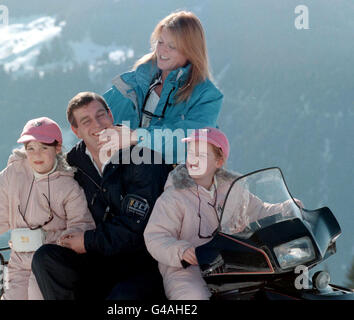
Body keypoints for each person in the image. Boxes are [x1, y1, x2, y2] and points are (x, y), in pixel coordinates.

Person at [31, 92, 171, 300]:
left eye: (101, 115)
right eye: (86, 121)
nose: (97, 125)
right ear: (76, 130)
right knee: (46, 258)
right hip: (97, 261)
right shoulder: (72, 167)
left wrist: (87, 241)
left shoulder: (144, 159)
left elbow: (137, 229)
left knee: (121, 297)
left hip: (143, 262)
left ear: (111, 115)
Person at [144, 128, 301, 300]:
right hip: (188, 270)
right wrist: (182, 251)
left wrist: (285, 208)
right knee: (193, 297)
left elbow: (259, 210)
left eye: (202, 156)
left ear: (219, 161)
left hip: (232, 264)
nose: (193, 160)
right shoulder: (174, 196)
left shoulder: (233, 189)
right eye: (190, 153)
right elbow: (156, 237)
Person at [0, 117, 95, 300]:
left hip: (46, 260)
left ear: (57, 148)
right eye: (31, 148)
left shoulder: (68, 186)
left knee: (38, 294)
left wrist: (60, 245)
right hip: (19, 258)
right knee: (13, 296)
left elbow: (80, 224)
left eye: (44, 148)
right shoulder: (12, 175)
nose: (37, 155)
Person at [101, 10, 224, 164]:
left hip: (173, 181)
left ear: (190, 51)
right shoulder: (133, 82)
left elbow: (189, 139)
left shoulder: (206, 96)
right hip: (122, 174)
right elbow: (97, 115)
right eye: (160, 42)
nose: (162, 50)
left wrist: (136, 136)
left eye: (172, 46)